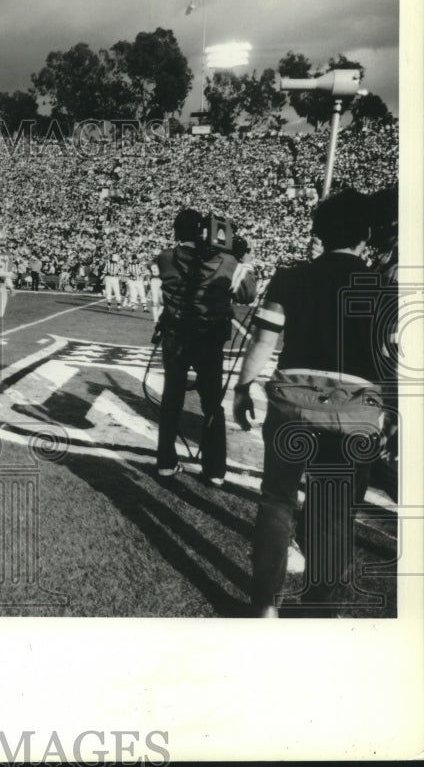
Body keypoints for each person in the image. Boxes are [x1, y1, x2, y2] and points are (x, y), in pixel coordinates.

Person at [233, 190, 392, 618]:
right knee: (335, 510)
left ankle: (265, 602)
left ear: (318, 233)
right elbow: (390, 359)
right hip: (355, 410)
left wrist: (242, 388)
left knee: (278, 501)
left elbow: (264, 340)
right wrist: (392, 415)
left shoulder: (290, 277)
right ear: (367, 235)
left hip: (293, 403)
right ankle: (321, 605)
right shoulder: (381, 285)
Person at [155, 208, 256, 485]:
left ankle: (165, 462)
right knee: (213, 404)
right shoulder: (225, 261)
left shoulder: (164, 258)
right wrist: (243, 261)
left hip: (175, 336)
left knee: (171, 399)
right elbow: (248, 295)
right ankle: (214, 471)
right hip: (209, 339)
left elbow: (183, 259)